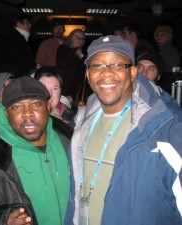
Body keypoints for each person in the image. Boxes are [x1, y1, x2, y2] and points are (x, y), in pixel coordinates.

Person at [66, 35, 182, 225]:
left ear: (133, 73)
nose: (106, 73)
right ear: (88, 75)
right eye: (97, 65)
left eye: (118, 65)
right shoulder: (81, 123)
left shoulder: (167, 128)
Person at [0, 76, 73, 225]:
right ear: (6, 113)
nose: (27, 114)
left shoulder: (71, 141)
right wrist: (4, 219)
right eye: (17, 107)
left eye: (36, 104)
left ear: (48, 107)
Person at [56, 29, 92, 105]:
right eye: (77, 37)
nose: (80, 40)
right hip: (63, 89)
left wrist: (81, 57)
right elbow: (62, 66)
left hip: (75, 93)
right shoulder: (63, 49)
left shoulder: (83, 55)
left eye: (82, 38)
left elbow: (83, 73)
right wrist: (75, 54)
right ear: (71, 38)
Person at [0, 13, 35, 77]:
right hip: (17, 78)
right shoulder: (13, 39)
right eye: (27, 23)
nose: (30, 25)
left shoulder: (14, 37)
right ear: (19, 24)